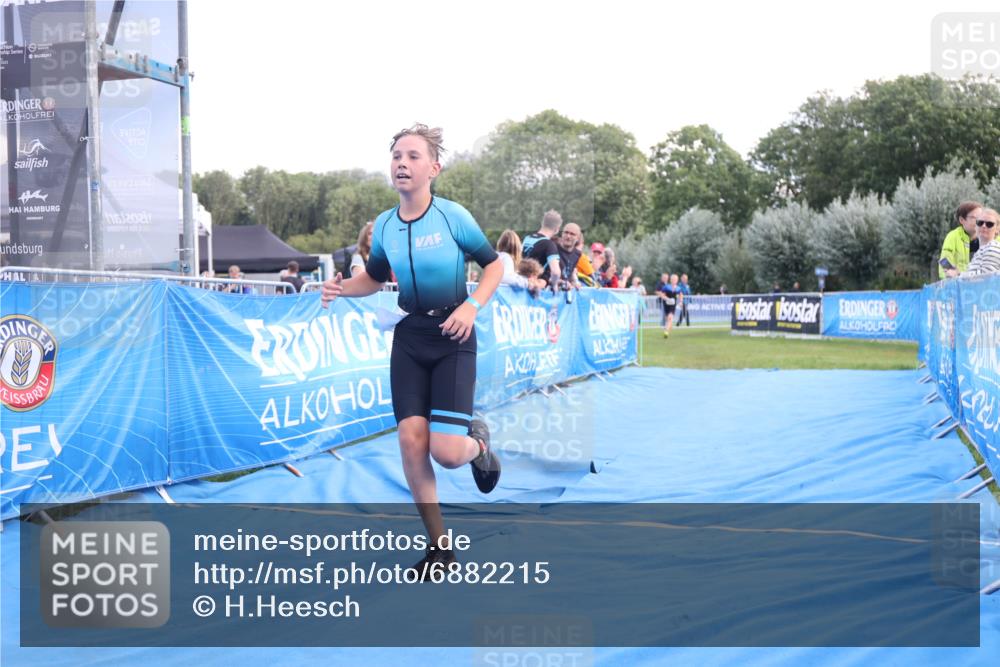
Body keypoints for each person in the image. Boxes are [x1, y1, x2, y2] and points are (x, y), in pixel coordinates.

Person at [320, 123, 503, 578]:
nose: (402, 163)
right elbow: (374, 279)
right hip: (410, 338)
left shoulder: (452, 217)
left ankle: (477, 443)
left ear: (433, 168)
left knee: (445, 450)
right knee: (409, 440)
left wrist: (472, 306)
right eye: (397, 155)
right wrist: (341, 288)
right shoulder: (382, 225)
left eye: (413, 156)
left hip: (454, 338)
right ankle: (440, 549)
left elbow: (495, 265)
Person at [521, 210, 563, 290]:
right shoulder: (549, 245)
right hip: (535, 288)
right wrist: (553, 284)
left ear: (542, 223)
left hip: (520, 284)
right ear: (557, 229)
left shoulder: (526, 238)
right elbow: (556, 272)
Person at [940, 201, 983, 278]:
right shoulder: (952, 237)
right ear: (962, 220)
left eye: (981, 217)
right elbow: (945, 262)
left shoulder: (990, 235)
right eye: (974, 218)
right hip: (961, 285)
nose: (979, 221)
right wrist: (951, 275)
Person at [961, 208, 1000, 276]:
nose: (984, 226)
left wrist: (958, 274)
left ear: (997, 229)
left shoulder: (993, 248)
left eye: (989, 224)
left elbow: (985, 278)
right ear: (976, 226)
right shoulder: (981, 251)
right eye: (980, 223)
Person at [555, 222, 583, 289]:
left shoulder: (577, 254)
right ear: (562, 234)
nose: (568, 236)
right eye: (566, 232)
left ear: (578, 238)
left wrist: (575, 282)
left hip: (566, 291)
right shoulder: (553, 248)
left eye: (572, 234)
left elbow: (570, 272)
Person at [659, 274, 683, 338]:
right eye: (672, 279)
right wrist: (667, 299)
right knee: (668, 320)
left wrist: (680, 302)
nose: (674, 281)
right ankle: (668, 330)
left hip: (673, 305)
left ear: (677, 280)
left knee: (670, 317)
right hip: (666, 304)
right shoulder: (666, 287)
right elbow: (661, 294)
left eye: (675, 279)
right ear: (670, 280)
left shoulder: (678, 288)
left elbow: (681, 295)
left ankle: (666, 331)